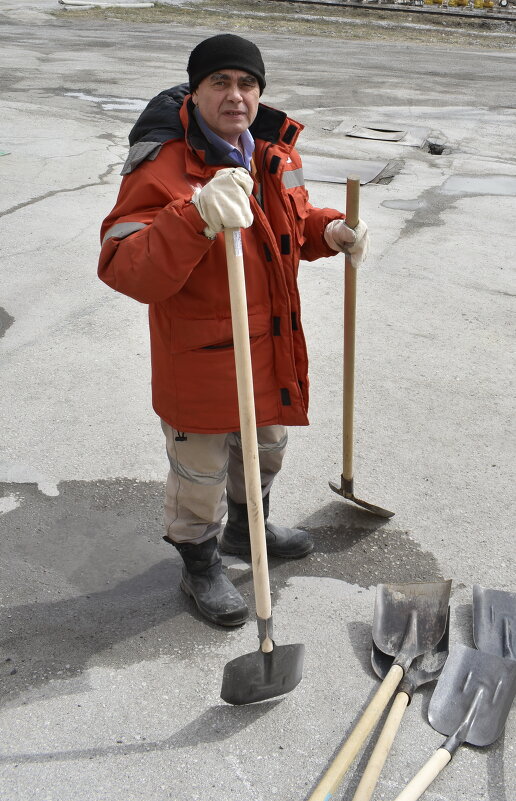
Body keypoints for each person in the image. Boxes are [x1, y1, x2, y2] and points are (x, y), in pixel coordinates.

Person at [98, 34, 368, 628]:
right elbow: (125, 266)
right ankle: (200, 564)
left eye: (247, 84)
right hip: (199, 356)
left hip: (269, 346)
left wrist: (329, 233)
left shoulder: (275, 152)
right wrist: (193, 217)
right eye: (220, 82)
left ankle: (248, 532)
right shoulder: (164, 164)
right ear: (194, 92)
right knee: (199, 475)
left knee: (265, 450)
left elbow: (288, 227)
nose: (236, 96)